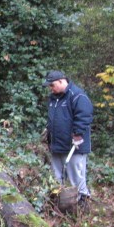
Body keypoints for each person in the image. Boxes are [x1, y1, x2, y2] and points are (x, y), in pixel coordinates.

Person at [43, 70, 94, 205]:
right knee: (56, 175)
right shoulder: (53, 99)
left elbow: (84, 116)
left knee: (76, 175)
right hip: (57, 144)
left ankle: (82, 201)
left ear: (61, 81)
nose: (51, 88)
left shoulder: (77, 96)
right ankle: (59, 202)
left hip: (74, 146)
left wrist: (77, 134)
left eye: (52, 85)